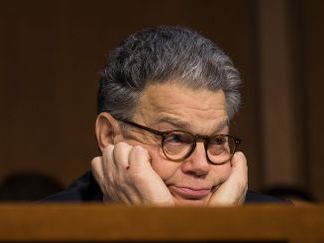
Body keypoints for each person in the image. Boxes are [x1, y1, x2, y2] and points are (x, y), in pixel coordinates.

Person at [44, 26, 283, 205]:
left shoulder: (284, 225)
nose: (200, 165)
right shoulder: (40, 234)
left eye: (217, 141)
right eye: (175, 138)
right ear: (109, 135)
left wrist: (223, 230)